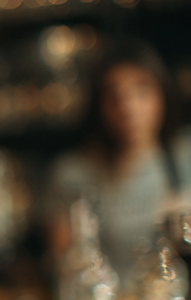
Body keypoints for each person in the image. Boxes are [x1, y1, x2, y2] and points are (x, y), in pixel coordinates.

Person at [47, 38, 190, 281]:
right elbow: (63, 265)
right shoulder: (73, 173)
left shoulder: (184, 157)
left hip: (172, 297)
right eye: (114, 95)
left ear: (162, 93)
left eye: (141, 90)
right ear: (99, 106)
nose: (128, 106)